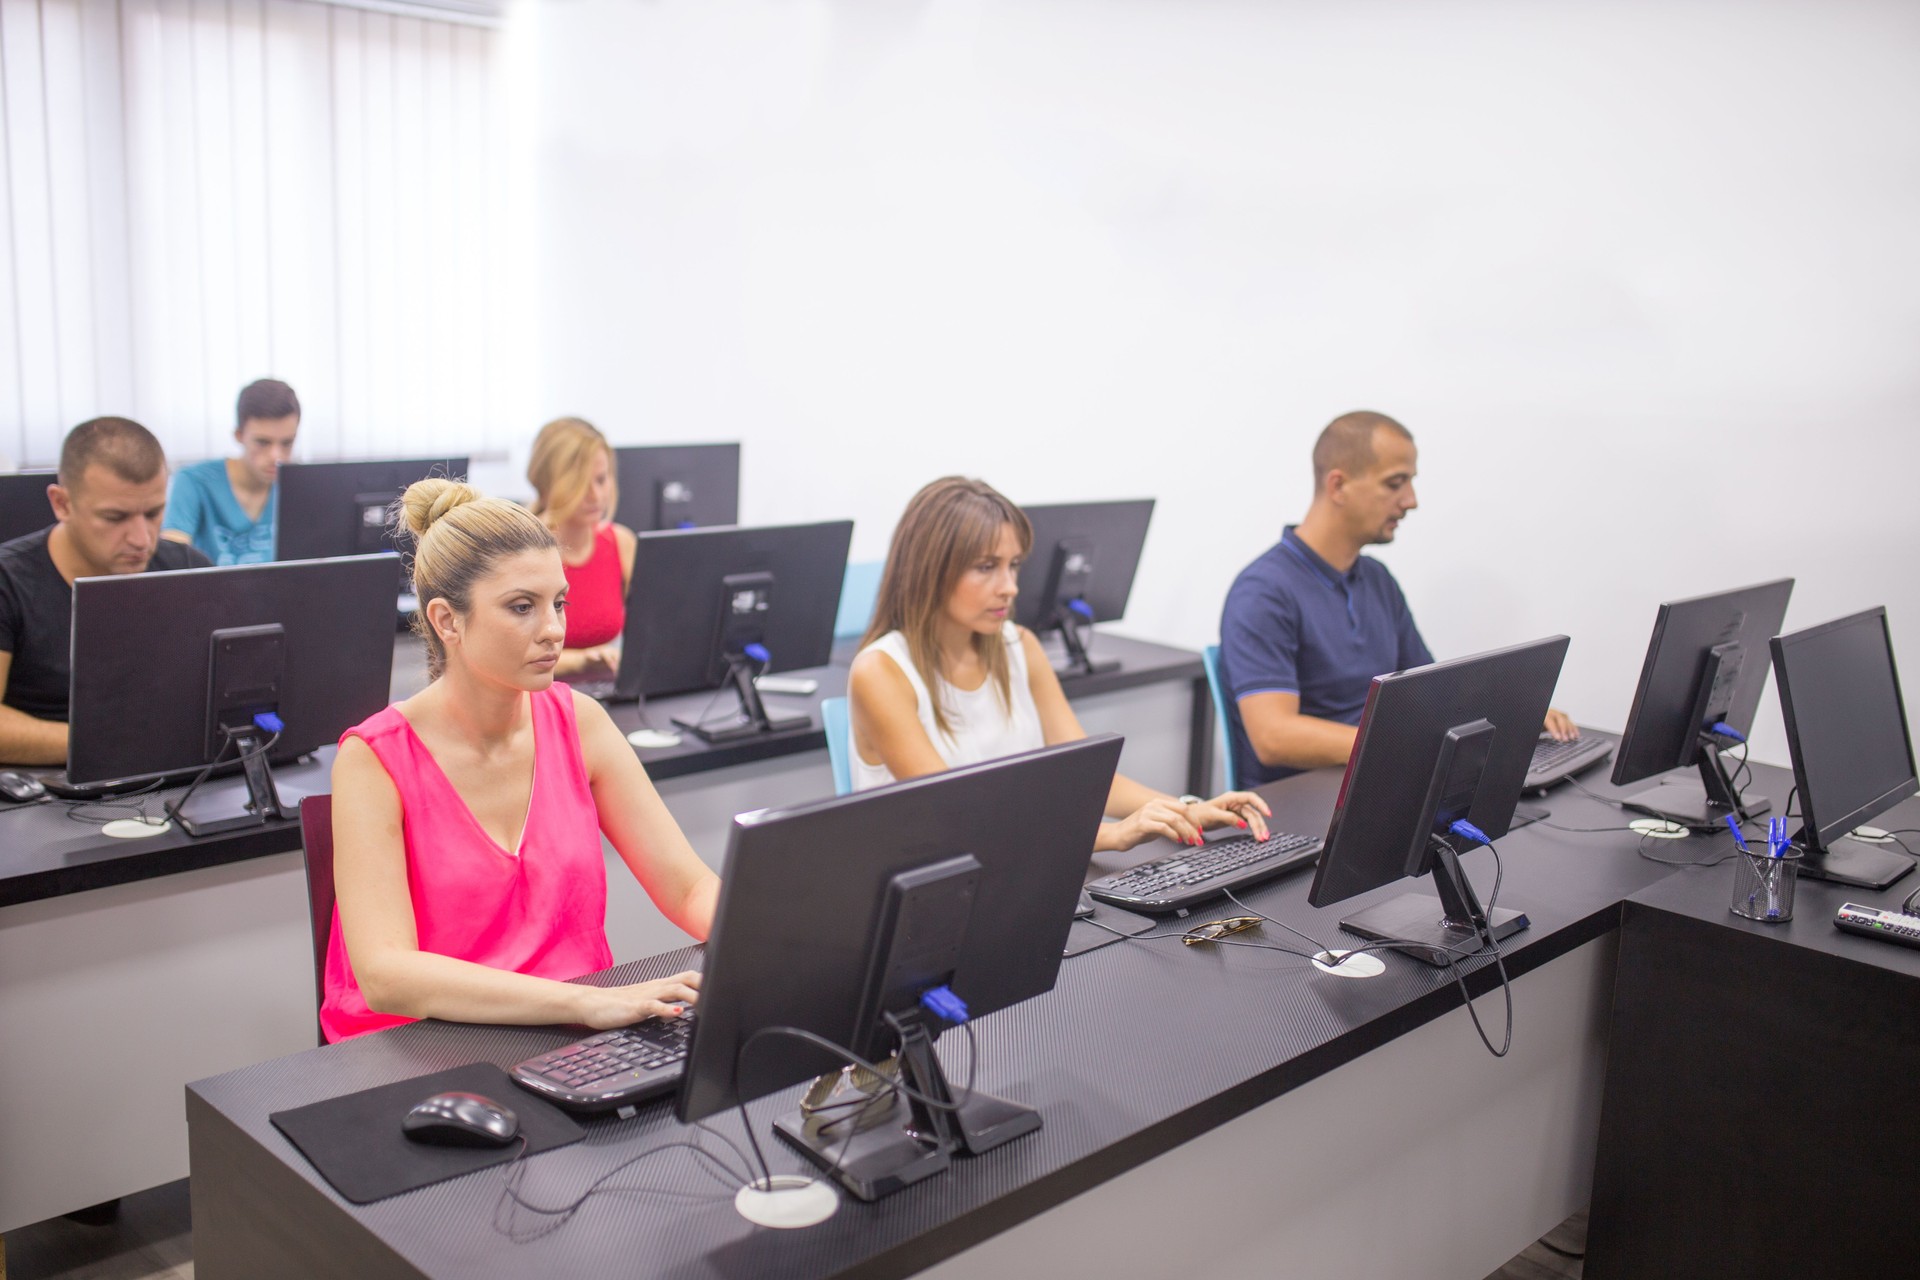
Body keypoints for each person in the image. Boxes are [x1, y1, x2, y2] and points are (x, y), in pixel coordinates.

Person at [324, 479, 715, 1042]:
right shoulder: (373, 759)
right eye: (522, 608)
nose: (555, 630)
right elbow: (387, 976)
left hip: (567, 1031)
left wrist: (769, 940)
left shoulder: (580, 723)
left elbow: (687, 889)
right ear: (447, 620)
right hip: (423, 1045)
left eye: (559, 603)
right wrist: (583, 1001)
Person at [849, 477, 1271, 853]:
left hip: (1016, 867)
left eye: (1013, 565)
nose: (1009, 587)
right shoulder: (880, 673)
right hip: (937, 888)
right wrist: (1109, 837)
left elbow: (1085, 782)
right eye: (986, 567)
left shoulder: (1021, 646)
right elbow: (961, 817)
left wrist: (1185, 810)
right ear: (928, 571)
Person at [1218, 410, 1577, 787]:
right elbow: (1274, 737)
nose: (1411, 500)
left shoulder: (1376, 579)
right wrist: (1407, 745)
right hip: (1303, 801)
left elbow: (1430, 691)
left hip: (1377, 777)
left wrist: (1512, 719)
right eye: (1395, 483)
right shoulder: (1263, 592)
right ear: (1338, 485)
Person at [0, 418, 210, 765]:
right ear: (62, 503)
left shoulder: (188, 569)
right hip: (47, 794)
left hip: (176, 778)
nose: (141, 539)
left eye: (154, 513)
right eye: (115, 517)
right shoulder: (9, 581)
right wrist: (114, 743)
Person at [525, 417, 637, 680]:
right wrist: (582, 661)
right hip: (538, 699)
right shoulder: (524, 550)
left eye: (601, 479)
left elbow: (654, 633)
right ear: (547, 484)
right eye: (580, 484)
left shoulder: (620, 543)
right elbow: (513, 655)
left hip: (606, 695)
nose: (596, 496)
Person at [162, 378, 301, 565]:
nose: (276, 456)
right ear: (239, 435)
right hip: (212, 592)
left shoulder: (301, 487)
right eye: (262, 442)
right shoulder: (193, 482)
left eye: (287, 443)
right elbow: (170, 562)